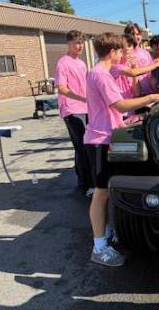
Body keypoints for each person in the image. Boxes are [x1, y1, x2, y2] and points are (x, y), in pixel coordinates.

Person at [84, 32, 159, 267]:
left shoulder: (104, 71)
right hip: (100, 140)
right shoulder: (100, 75)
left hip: (110, 135)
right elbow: (120, 104)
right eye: (120, 51)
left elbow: (129, 72)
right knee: (101, 194)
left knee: (110, 190)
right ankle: (99, 247)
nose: (123, 54)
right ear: (112, 52)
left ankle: (108, 233)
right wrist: (153, 97)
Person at [54, 30, 93, 196]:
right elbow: (61, 88)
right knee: (82, 147)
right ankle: (87, 184)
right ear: (68, 44)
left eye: (81, 43)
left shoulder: (82, 63)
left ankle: (84, 181)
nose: (80, 46)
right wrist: (79, 97)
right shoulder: (63, 63)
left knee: (85, 146)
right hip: (71, 109)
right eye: (76, 43)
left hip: (85, 108)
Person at [110, 34, 159, 99]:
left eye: (129, 45)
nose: (126, 48)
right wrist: (156, 64)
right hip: (119, 105)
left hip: (131, 104)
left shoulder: (132, 65)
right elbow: (132, 72)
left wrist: (134, 67)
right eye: (123, 46)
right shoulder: (114, 66)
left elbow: (137, 92)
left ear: (133, 48)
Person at [124, 23, 154, 94]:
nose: (135, 36)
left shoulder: (146, 53)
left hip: (148, 94)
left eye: (138, 34)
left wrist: (154, 90)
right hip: (131, 97)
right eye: (132, 34)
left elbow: (151, 75)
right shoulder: (123, 55)